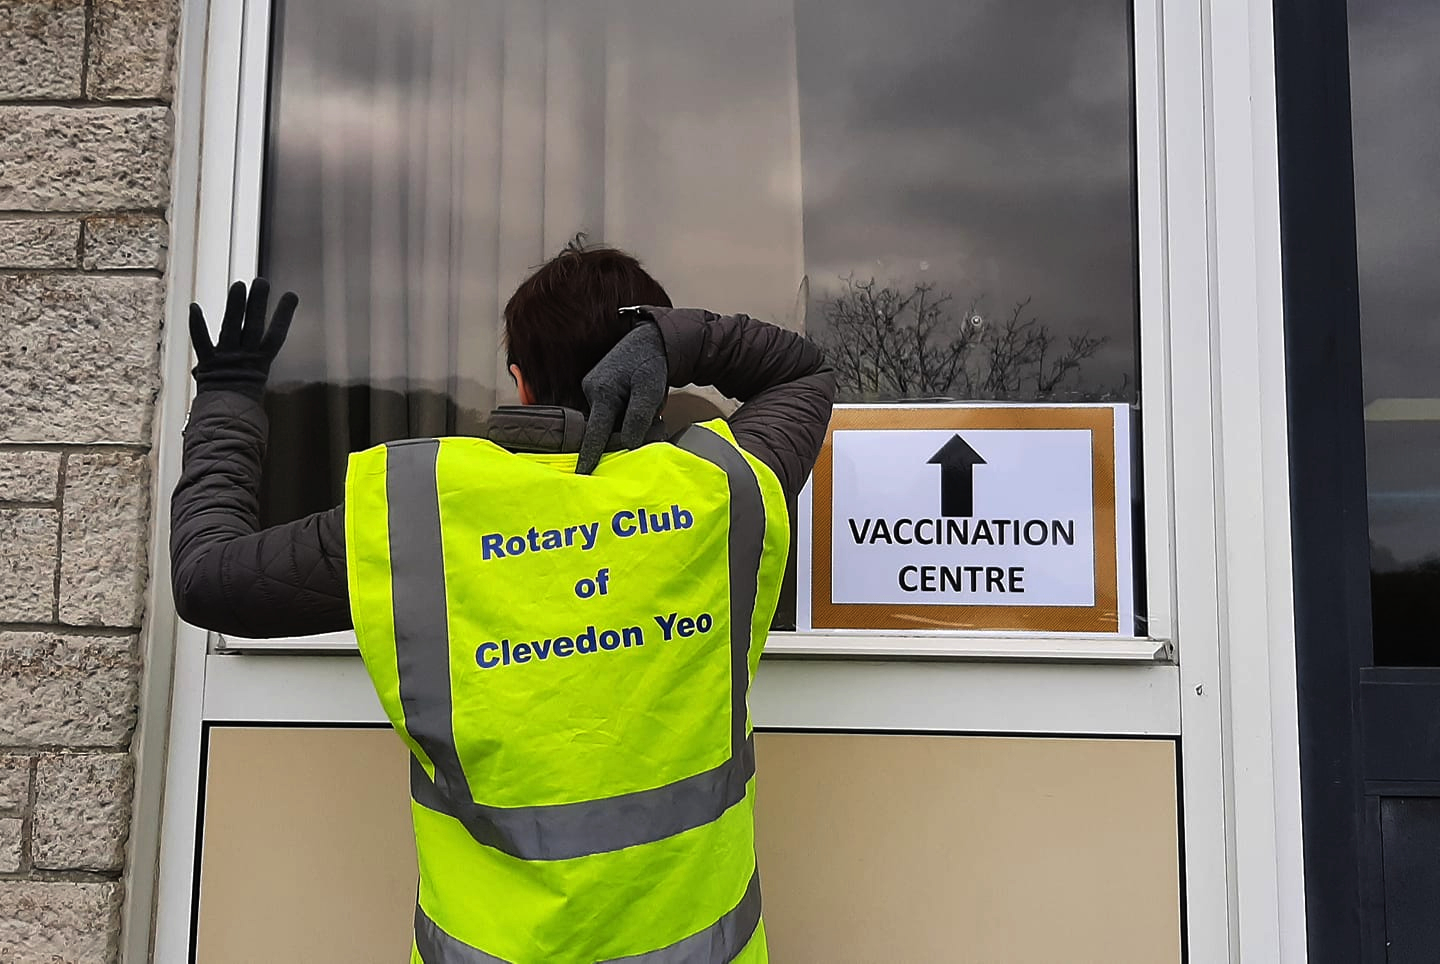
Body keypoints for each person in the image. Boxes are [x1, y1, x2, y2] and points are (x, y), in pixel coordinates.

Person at [170, 242, 836, 963]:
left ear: (520, 382)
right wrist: (676, 339)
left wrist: (228, 402)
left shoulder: (420, 512)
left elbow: (208, 576)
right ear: (660, 377)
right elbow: (802, 372)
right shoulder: (717, 493)